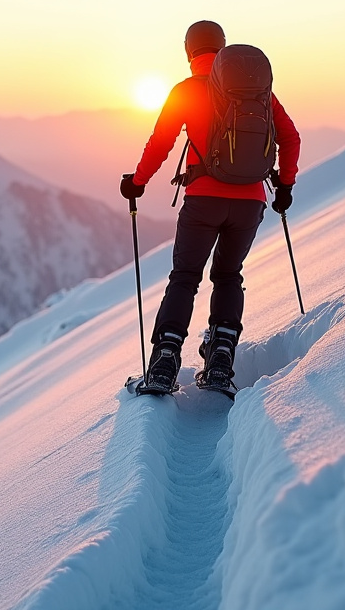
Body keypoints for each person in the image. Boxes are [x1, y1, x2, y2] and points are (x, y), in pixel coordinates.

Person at [120, 20, 301, 395]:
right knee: (228, 275)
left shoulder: (186, 90)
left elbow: (161, 142)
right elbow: (290, 137)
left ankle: (164, 363)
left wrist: (137, 182)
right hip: (250, 202)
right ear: (222, 47)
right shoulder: (257, 92)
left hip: (203, 200)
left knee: (185, 277)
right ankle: (220, 361)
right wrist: (285, 185)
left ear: (189, 52)